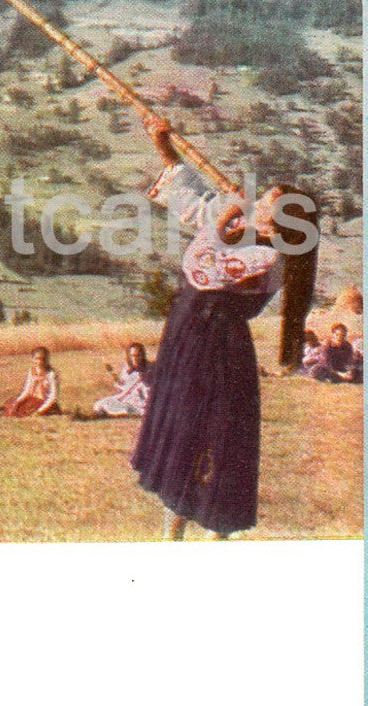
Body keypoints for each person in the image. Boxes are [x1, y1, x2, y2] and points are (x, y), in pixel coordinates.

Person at [131, 117, 318, 540]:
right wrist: (164, 146)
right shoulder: (244, 230)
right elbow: (192, 201)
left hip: (215, 348)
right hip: (190, 339)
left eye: (268, 199)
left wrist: (228, 214)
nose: (260, 200)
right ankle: (172, 532)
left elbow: (200, 265)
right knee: (181, 429)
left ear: (281, 219)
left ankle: (216, 533)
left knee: (212, 435)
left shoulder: (271, 258)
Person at [92, 343, 153, 418]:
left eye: (138, 355)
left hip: (139, 400)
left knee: (137, 409)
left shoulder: (149, 368)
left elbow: (148, 389)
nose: (135, 358)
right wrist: (114, 375)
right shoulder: (127, 368)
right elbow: (122, 385)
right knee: (99, 404)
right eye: (132, 355)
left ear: (143, 356)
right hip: (125, 397)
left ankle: (114, 414)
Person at [4, 347, 61, 417]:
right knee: (10, 405)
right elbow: (27, 391)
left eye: (43, 359)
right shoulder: (32, 372)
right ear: (32, 359)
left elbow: (53, 397)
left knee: (26, 411)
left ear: (47, 359)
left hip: (45, 403)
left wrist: (39, 411)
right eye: (37, 358)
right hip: (33, 399)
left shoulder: (52, 374)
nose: (40, 362)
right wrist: (16, 402)